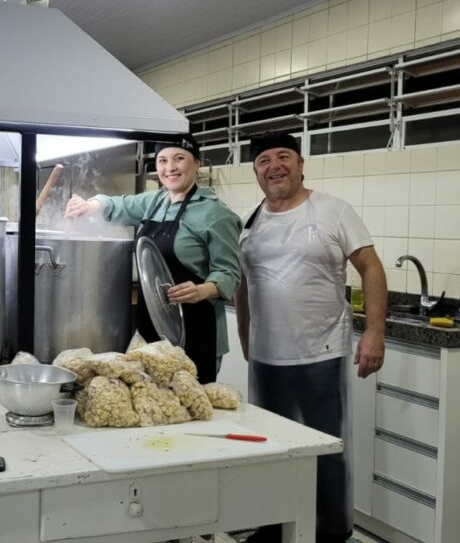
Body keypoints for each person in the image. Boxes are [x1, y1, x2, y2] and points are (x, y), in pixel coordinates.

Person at [234, 132, 387, 543]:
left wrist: (374, 331)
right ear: (256, 172)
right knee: (269, 449)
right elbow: (244, 283)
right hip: (267, 359)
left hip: (321, 353)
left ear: (302, 165)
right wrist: (245, 334)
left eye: (284, 156)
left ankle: (332, 533)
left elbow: (371, 268)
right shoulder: (252, 222)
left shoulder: (334, 211)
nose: (274, 166)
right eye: (264, 160)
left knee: (327, 451)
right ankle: (271, 529)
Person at [65, 136, 241, 382]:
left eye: (179, 158)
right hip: (152, 325)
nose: (170, 168)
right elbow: (116, 205)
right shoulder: (154, 202)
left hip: (197, 327)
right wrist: (88, 205)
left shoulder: (215, 213)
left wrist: (202, 290)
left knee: (192, 407)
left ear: (197, 163)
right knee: (154, 405)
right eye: (162, 160)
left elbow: (230, 273)